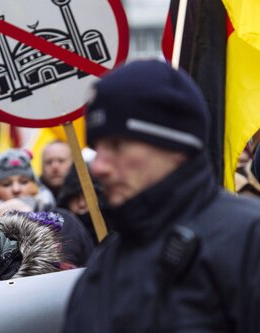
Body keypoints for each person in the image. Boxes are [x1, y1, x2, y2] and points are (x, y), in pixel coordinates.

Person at [63, 60, 260, 332]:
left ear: (176, 147)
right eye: (97, 148)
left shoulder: (249, 240)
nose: (99, 167)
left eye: (117, 145)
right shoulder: (104, 262)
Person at [0, 148, 54, 213]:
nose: (16, 189)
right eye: (6, 184)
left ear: (35, 185)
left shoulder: (60, 220)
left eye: (24, 182)